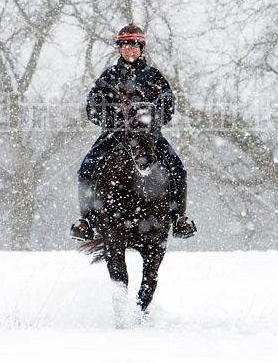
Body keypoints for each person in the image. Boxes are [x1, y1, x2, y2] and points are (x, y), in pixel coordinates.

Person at [71, 24, 197, 240]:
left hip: (149, 137)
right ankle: (87, 220)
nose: (130, 50)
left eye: (135, 46)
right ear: (120, 48)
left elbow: (168, 105)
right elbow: (92, 107)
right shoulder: (108, 77)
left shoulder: (154, 77)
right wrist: (112, 119)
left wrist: (149, 119)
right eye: (126, 46)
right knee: (87, 167)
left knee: (178, 168)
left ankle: (178, 218)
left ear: (142, 49)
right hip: (114, 136)